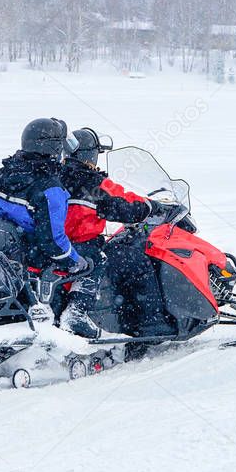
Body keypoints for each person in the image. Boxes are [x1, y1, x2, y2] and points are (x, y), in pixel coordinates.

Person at [58, 127, 168, 339]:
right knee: (137, 264)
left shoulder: (54, 178)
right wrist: (153, 207)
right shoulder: (95, 184)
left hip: (55, 247)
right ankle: (150, 326)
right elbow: (127, 204)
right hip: (84, 248)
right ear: (90, 155)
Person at [0, 118, 89, 277]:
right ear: (53, 148)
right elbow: (52, 242)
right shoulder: (50, 189)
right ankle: (76, 302)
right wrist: (75, 261)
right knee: (91, 264)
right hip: (31, 263)